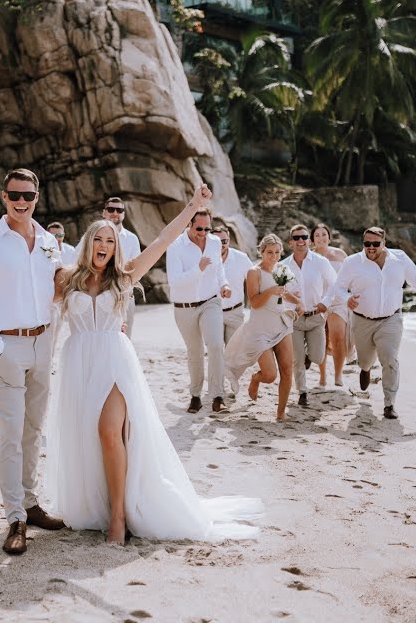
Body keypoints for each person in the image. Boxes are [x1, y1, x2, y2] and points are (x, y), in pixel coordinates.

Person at [46, 182, 262, 545]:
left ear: (116, 247)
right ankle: (102, 504)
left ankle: (118, 516)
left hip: (113, 359)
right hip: (77, 363)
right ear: (87, 244)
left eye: (110, 241)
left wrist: (193, 206)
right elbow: (30, 296)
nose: (104, 246)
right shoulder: (67, 279)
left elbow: (162, 241)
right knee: (85, 437)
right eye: (98, 240)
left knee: (109, 431)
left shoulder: (125, 275)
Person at [0, 168, 67, 555]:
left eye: (29, 195)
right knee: (10, 432)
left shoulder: (48, 242)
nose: (22, 202)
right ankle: (15, 518)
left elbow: (56, 290)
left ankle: (31, 502)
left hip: (43, 342)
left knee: (34, 429)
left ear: (38, 196)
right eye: (14, 195)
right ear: (3, 197)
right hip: (6, 346)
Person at [315, 226, 416, 420]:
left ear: (384, 243)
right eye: (367, 244)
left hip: (391, 319)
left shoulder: (400, 259)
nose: (371, 247)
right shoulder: (353, 262)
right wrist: (347, 297)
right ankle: (365, 369)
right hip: (362, 320)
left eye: (375, 244)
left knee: (390, 359)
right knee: (365, 360)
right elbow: (338, 286)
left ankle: (389, 404)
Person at [222, 235, 301, 421]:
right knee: (270, 375)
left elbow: (284, 293)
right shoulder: (253, 272)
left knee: (287, 370)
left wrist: (298, 302)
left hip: (281, 325)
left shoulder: (282, 269)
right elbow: (255, 303)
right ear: (262, 252)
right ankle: (256, 379)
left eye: (277, 252)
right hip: (259, 329)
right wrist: (271, 291)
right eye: (269, 252)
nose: (273, 256)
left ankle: (281, 413)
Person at [166, 208, 234, 414]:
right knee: (194, 351)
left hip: (210, 301)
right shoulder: (175, 246)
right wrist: (199, 268)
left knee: (215, 345)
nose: (204, 233)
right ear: (189, 224)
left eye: (207, 228)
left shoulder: (214, 242)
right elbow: (175, 283)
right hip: (184, 307)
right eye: (199, 228)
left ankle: (217, 396)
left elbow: (219, 269)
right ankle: (195, 395)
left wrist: (224, 284)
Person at [280, 224, 338, 407]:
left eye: (304, 237)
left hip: (316, 317)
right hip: (294, 319)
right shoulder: (282, 267)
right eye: (296, 238)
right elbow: (277, 294)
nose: (300, 241)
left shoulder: (321, 262)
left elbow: (335, 285)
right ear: (291, 243)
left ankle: (308, 355)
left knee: (318, 357)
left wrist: (326, 304)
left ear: (309, 241)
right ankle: (302, 392)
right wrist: (287, 300)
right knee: (296, 359)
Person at [213, 225, 251, 395]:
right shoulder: (205, 259)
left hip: (235, 312)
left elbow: (254, 279)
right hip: (212, 312)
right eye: (217, 241)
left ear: (229, 241)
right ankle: (217, 388)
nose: (221, 244)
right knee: (216, 350)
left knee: (235, 351)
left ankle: (233, 378)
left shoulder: (241, 258)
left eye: (225, 241)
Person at [311, 223, 350, 387]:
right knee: (322, 339)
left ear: (329, 236)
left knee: (338, 335)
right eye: (317, 235)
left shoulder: (340, 254)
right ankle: (322, 376)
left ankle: (338, 374)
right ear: (312, 240)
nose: (321, 238)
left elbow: (351, 275)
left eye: (324, 234)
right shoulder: (310, 257)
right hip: (318, 302)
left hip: (338, 301)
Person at [101, 197, 142, 338]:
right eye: (111, 209)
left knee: (125, 341)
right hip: (98, 296)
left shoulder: (132, 239)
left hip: (125, 297)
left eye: (119, 210)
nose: (115, 213)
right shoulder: (91, 236)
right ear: (104, 212)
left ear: (124, 214)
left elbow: (137, 270)